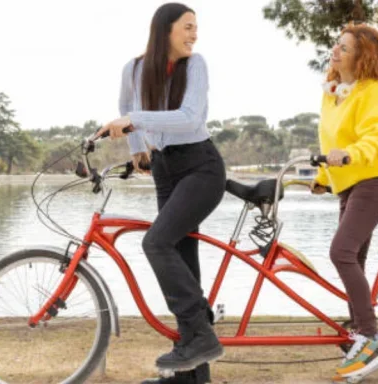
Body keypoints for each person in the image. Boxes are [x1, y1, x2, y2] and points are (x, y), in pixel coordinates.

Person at [96, 3, 225, 384]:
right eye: (187, 27)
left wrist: (136, 121)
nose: (194, 34)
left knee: (156, 243)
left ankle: (200, 336)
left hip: (201, 167)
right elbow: (125, 106)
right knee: (184, 264)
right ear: (165, 29)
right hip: (164, 169)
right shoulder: (134, 69)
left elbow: (190, 117)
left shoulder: (196, 65)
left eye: (196, 28)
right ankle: (193, 375)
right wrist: (137, 146)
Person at [310, 22, 378, 381]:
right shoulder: (333, 93)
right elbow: (329, 144)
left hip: (375, 180)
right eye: (337, 44)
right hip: (350, 184)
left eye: (345, 48)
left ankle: (370, 335)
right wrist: (320, 180)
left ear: (362, 57)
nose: (337, 50)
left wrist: (349, 155)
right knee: (354, 258)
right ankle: (361, 336)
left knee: (341, 252)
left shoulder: (371, 91)